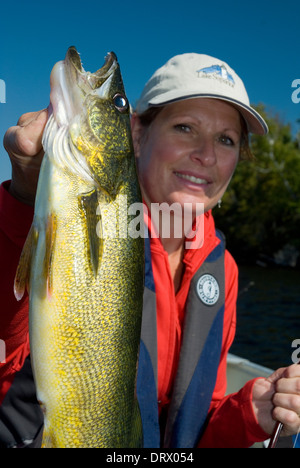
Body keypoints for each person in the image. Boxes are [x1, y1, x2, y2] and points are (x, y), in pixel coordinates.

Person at [0, 52, 300, 448]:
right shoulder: (87, 219)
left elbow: (191, 432)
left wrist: (248, 414)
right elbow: (10, 348)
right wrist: (24, 199)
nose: (206, 155)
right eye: (185, 127)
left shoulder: (222, 269)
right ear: (137, 134)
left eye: (226, 139)